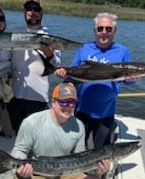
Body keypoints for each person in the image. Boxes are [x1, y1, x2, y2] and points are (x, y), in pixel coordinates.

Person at [10, 83, 110, 179]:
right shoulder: (32, 122)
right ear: (53, 101)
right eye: (63, 101)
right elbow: (20, 149)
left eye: (72, 102)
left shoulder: (79, 126)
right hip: (34, 172)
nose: (68, 106)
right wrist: (19, 165)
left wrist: (97, 170)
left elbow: (79, 157)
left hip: (63, 171)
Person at [55, 12, 135, 149]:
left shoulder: (123, 51)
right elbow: (73, 77)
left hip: (106, 112)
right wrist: (64, 75)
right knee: (76, 148)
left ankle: (99, 170)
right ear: (95, 31)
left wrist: (131, 79)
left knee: (101, 151)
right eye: (100, 29)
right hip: (81, 110)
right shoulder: (83, 49)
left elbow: (127, 81)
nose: (104, 32)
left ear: (114, 31)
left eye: (108, 29)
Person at [7, 0, 61, 133]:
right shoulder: (15, 32)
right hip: (15, 94)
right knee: (17, 132)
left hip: (38, 96)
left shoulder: (49, 36)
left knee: (35, 135)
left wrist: (49, 55)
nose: (33, 13)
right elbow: (4, 57)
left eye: (36, 9)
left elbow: (56, 65)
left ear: (42, 13)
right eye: (29, 9)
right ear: (25, 12)